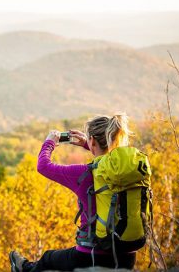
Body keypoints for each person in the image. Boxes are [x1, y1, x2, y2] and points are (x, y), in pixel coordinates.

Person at [9, 114, 137, 272]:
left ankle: (24, 269)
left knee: (48, 258)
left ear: (93, 141)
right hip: (127, 255)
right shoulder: (131, 171)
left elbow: (43, 166)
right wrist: (88, 144)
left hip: (92, 255)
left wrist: (49, 142)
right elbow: (108, 158)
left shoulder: (83, 174)